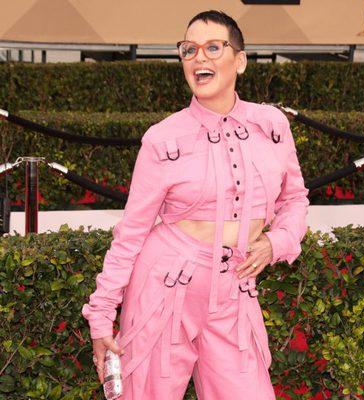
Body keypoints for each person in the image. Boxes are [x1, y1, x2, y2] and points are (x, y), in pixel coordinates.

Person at [82, 10, 309, 400]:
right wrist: (101, 315)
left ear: (239, 60)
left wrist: (279, 242)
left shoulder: (271, 126)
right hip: (165, 289)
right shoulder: (162, 138)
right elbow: (132, 233)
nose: (198, 58)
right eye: (189, 50)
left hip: (236, 292)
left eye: (212, 47)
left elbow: (295, 198)